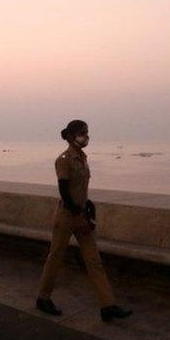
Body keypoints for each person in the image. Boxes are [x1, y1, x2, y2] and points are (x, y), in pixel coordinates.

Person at [35, 120, 132, 321]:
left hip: (81, 215)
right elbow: (63, 189)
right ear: (70, 136)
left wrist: (86, 209)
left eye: (87, 132)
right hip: (67, 216)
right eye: (82, 133)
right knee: (56, 257)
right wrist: (77, 213)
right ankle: (43, 298)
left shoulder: (83, 158)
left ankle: (108, 305)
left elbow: (81, 190)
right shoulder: (63, 159)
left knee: (94, 260)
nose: (86, 136)